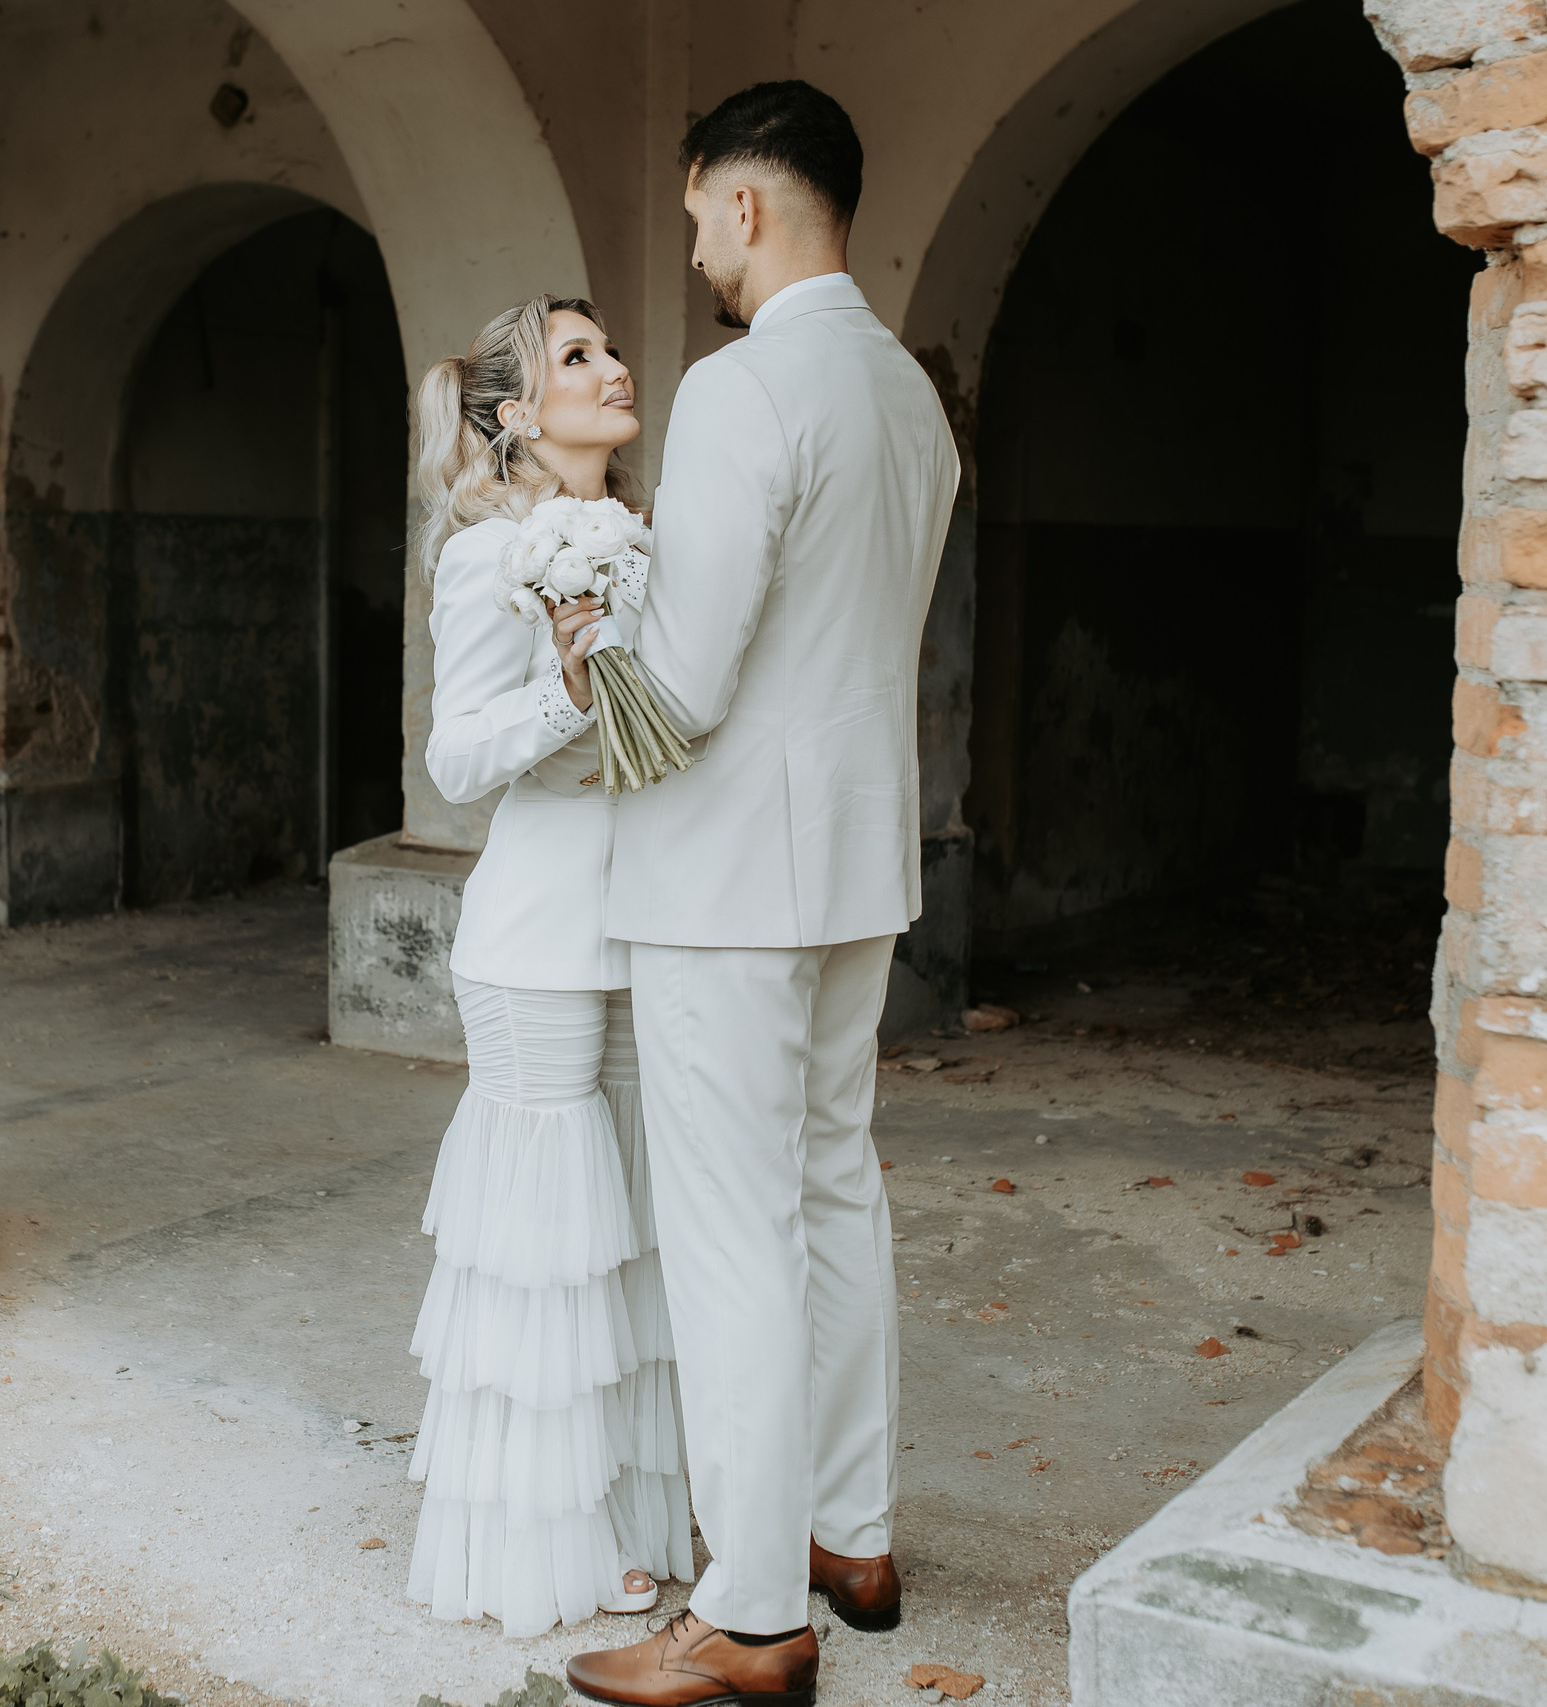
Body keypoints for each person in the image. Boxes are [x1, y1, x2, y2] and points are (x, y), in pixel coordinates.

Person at [566, 81, 959, 1706]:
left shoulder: (744, 394)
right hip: (859, 856)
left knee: (730, 1231)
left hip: (729, 869)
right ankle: (851, 1537)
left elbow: (694, 679)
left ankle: (747, 1611)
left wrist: (593, 645)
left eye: (695, 222)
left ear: (744, 206)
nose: (697, 256)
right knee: (831, 1188)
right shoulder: (914, 399)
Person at [404, 294, 693, 1639]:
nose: (616, 367)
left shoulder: (645, 542)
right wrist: (566, 693)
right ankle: (549, 1535)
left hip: (650, 911)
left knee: (633, 1230)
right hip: (535, 930)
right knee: (548, 1247)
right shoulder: (485, 557)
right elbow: (454, 763)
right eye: (580, 358)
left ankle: (637, 1508)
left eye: (610, 349)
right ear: (518, 413)